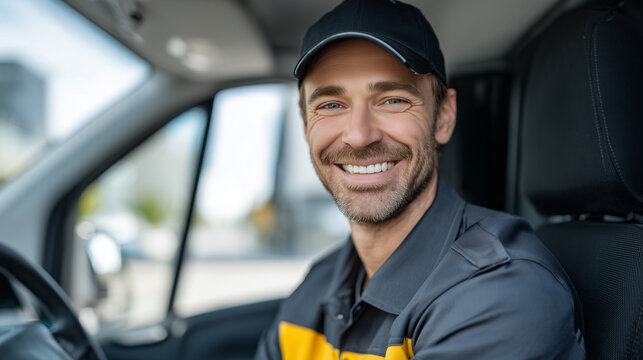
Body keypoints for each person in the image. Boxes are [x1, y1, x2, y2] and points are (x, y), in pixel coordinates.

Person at [255, 0, 586, 358]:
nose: (359, 135)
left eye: (392, 100)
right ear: (306, 128)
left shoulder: (505, 290)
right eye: (331, 105)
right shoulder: (318, 284)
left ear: (443, 117)